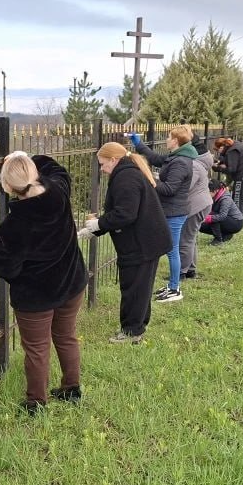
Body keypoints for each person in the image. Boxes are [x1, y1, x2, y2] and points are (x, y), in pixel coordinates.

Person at [0, 152, 87, 415]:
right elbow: (55, 166)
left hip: (36, 296)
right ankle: (71, 388)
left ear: (7, 188)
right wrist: (22, 158)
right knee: (66, 336)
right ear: (35, 172)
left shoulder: (14, 225)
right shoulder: (59, 191)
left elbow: (6, 267)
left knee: (37, 349)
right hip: (71, 282)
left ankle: (36, 403)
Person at [79, 142, 169, 343]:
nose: (102, 169)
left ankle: (131, 332)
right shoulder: (129, 172)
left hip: (140, 243)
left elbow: (125, 214)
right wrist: (98, 228)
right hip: (147, 240)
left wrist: (97, 224)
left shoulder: (125, 177)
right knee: (141, 287)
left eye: (103, 164)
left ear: (113, 159)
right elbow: (122, 212)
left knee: (134, 288)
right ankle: (137, 327)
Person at [128, 127, 194, 303]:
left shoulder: (180, 162)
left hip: (174, 212)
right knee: (167, 248)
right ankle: (172, 286)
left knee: (172, 250)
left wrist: (149, 178)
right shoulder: (175, 156)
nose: (166, 139)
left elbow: (169, 189)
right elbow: (156, 159)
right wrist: (138, 143)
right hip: (170, 210)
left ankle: (175, 289)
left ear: (176, 141)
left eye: (169, 137)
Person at [178, 134, 213, 280]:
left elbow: (184, 186)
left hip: (195, 206)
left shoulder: (195, 165)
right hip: (200, 204)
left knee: (184, 240)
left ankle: (182, 272)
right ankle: (190, 269)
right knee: (191, 239)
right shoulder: (199, 163)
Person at [213, 137, 243, 218]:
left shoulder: (231, 151)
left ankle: (237, 218)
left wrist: (218, 168)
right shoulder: (235, 144)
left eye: (217, 150)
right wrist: (221, 163)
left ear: (222, 147)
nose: (217, 152)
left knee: (237, 197)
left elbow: (232, 169)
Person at [199, 179, 243, 244]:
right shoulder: (214, 196)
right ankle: (226, 234)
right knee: (200, 226)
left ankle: (218, 240)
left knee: (213, 217)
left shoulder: (225, 199)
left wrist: (207, 218)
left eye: (207, 192)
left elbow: (222, 216)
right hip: (227, 221)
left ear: (215, 191)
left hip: (236, 222)